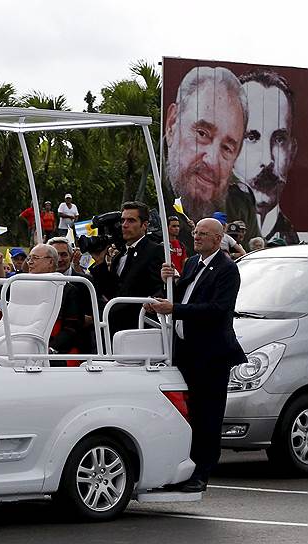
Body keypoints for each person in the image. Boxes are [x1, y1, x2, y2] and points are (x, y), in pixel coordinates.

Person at [148, 218, 246, 492]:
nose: (197, 237)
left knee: (207, 415)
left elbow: (217, 309)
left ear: (218, 239)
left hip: (211, 354)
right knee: (185, 413)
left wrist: (174, 309)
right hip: (185, 351)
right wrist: (167, 283)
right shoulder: (192, 263)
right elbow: (182, 294)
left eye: (203, 234)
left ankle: (202, 473)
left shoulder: (227, 269)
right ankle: (182, 468)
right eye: (195, 233)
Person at [164, 65, 262, 251]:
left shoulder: (240, 203)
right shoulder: (146, 184)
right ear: (172, 124)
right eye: (202, 133)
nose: (212, 161)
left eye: (227, 148)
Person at [232, 69, 300, 245]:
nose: (267, 160)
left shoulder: (293, 242)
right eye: (252, 137)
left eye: (279, 139)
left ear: (292, 152)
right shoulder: (211, 228)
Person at [89, 201, 164, 336]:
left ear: (145, 225)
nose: (124, 225)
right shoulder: (120, 255)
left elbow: (161, 288)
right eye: (123, 220)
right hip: (114, 328)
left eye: (131, 220)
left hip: (140, 328)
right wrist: (100, 262)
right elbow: (112, 291)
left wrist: (153, 302)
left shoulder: (155, 251)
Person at [24, 244, 83, 363]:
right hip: (23, 345)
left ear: (50, 262)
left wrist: (50, 349)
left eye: (35, 258)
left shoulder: (68, 290)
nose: (29, 262)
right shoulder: (21, 285)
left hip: (55, 352)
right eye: (29, 258)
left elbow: (71, 328)